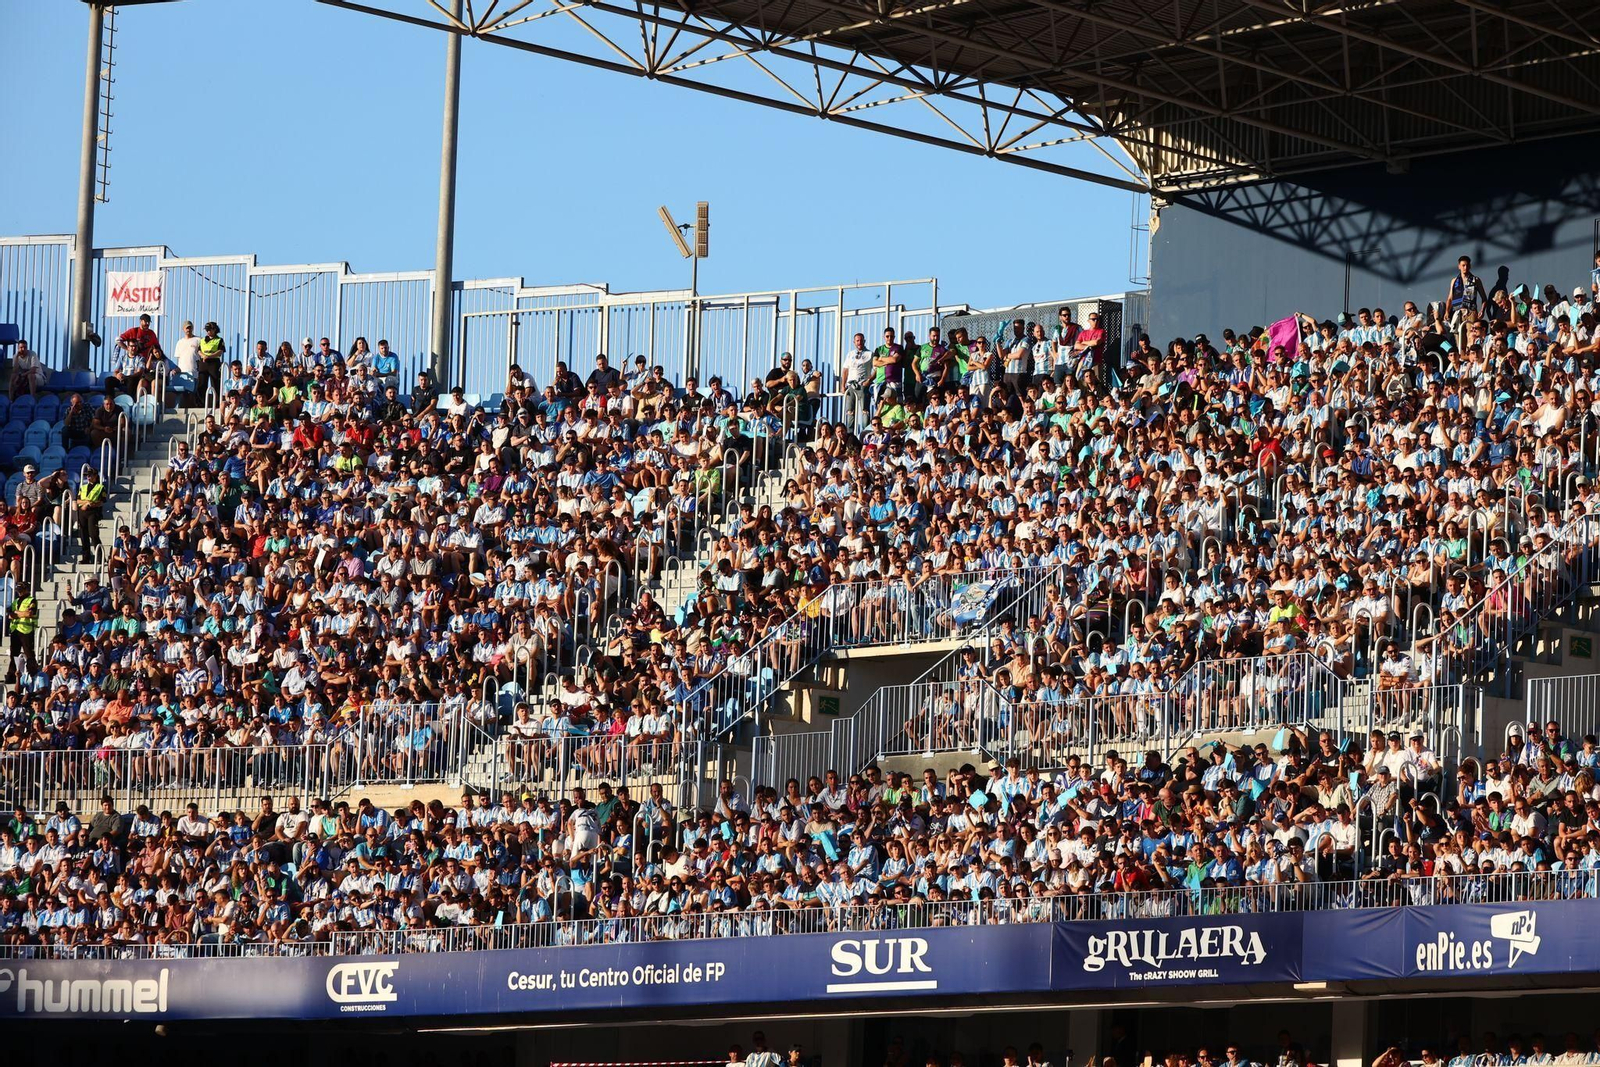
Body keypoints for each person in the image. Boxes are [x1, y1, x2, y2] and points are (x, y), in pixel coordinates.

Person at [75, 466, 106, 560]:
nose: (88, 477)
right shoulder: (83, 487)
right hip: (82, 512)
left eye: (90, 475)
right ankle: (86, 557)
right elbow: (78, 500)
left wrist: (90, 504)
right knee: (83, 535)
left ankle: (100, 557)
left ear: (96, 476)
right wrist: (87, 503)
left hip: (93, 512)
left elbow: (101, 501)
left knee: (93, 534)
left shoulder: (100, 487)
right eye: (87, 475)